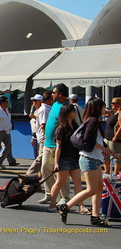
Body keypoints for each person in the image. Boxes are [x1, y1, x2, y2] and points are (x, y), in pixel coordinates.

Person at [59, 97, 118, 227]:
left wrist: (112, 153)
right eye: (103, 107)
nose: (105, 109)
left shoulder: (94, 121)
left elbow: (99, 141)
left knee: (98, 188)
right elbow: (88, 140)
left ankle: (95, 217)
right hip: (88, 159)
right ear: (98, 108)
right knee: (92, 189)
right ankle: (66, 206)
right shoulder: (92, 121)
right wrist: (104, 149)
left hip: (95, 159)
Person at [48, 104, 90, 214]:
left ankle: (81, 206)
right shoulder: (61, 128)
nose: (75, 113)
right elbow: (58, 147)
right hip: (64, 159)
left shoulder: (75, 126)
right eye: (73, 111)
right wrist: (56, 163)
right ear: (67, 113)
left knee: (78, 182)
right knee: (60, 182)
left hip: (74, 157)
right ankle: (52, 204)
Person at [40, 83, 70, 205]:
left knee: (61, 173)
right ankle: (49, 194)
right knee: (45, 168)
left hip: (59, 145)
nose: (52, 94)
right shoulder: (55, 104)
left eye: (54, 92)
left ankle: (65, 197)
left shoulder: (67, 107)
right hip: (48, 143)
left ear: (60, 94)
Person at [26, 92, 53, 175]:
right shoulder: (43, 110)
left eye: (35, 100)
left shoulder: (41, 110)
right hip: (43, 136)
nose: (33, 102)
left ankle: (40, 175)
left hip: (40, 136)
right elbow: (42, 125)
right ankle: (29, 174)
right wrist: (47, 137)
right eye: (33, 100)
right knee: (41, 157)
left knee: (44, 157)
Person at [0, 96, 19, 169]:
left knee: (8, 147)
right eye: (6, 102)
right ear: (2, 103)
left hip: (6, 131)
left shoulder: (6, 110)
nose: (8, 103)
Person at [104, 97, 121, 176]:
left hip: (114, 139)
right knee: (105, 155)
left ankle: (115, 172)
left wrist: (116, 136)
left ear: (119, 104)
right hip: (107, 137)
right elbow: (105, 113)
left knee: (116, 155)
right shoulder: (112, 112)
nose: (112, 105)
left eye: (114, 103)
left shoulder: (120, 114)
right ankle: (106, 171)